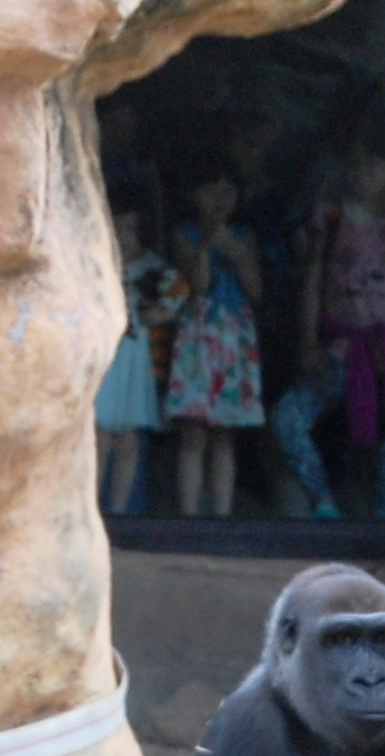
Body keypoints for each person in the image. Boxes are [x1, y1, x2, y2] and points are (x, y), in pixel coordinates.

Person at [275, 122, 385, 521]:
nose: (363, 174)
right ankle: (323, 500)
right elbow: (314, 279)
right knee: (287, 419)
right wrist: (308, 341)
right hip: (342, 347)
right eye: (357, 165)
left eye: (375, 166)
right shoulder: (333, 216)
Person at [165, 160, 266, 517]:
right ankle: (189, 518)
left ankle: (221, 519)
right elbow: (198, 286)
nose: (221, 198)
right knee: (193, 431)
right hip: (198, 333)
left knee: (226, 433)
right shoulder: (184, 234)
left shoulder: (245, 237)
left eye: (228, 190)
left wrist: (235, 250)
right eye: (211, 189)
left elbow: (256, 290)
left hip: (235, 337)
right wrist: (208, 242)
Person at [97, 193, 184, 516]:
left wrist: (158, 313)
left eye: (131, 230)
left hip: (135, 357)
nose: (124, 236)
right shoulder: (98, 264)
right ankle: (94, 506)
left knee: (129, 436)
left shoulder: (153, 268)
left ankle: (120, 511)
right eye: (117, 228)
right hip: (106, 357)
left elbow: (178, 298)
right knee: (100, 433)